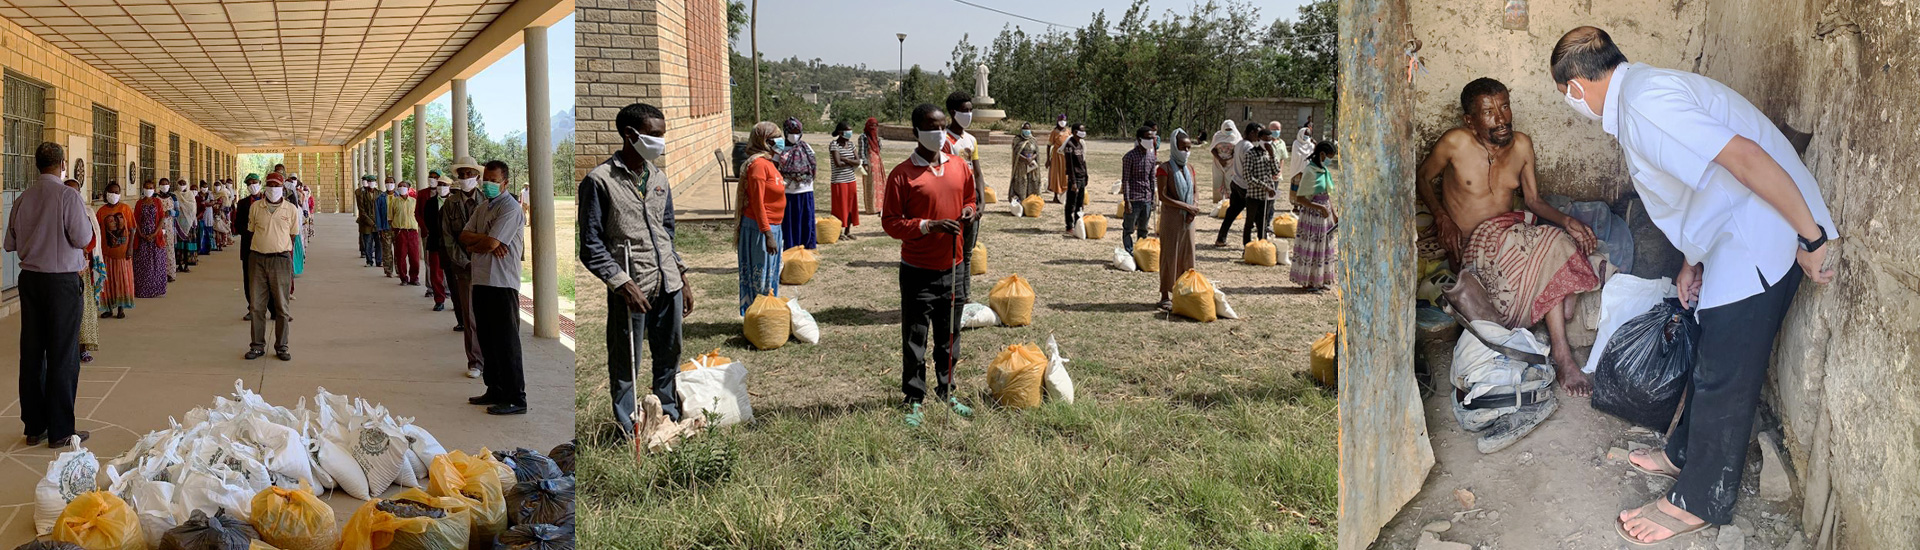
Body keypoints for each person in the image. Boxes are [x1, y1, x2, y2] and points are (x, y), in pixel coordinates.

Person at [1541, 27, 1837, 544]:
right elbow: (1696, 194)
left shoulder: (1647, 106)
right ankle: (1682, 455)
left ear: (1575, 88)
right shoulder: (1642, 97)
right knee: (1707, 350)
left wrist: (1810, 238)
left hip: (1761, 238)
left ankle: (1698, 500)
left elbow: (1745, 158)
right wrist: (1690, 263)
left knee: (1726, 374)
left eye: (1566, 96)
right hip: (1732, 236)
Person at [1416, 77, 1606, 395]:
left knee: (1556, 241)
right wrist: (1441, 216)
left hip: (1510, 232)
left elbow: (1534, 202)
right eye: (1489, 111)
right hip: (1473, 247)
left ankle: (1562, 355)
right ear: (1470, 120)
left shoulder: (1521, 145)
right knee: (1534, 258)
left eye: (1505, 106)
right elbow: (1423, 177)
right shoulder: (1455, 142)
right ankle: (1548, 317)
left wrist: (1567, 221)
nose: (1502, 118)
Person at [579, 102, 694, 433]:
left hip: (667, 282)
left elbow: (666, 232)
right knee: (626, 364)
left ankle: (667, 418)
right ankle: (630, 429)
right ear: (630, 135)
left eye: (662, 135)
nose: (661, 141)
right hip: (632, 285)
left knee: (669, 356)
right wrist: (621, 283)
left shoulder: (658, 177)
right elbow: (591, 245)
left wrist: (682, 277)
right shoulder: (599, 181)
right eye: (654, 135)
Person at [882, 103, 979, 427]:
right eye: (931, 127)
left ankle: (947, 390)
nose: (939, 133)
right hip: (917, 270)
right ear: (916, 132)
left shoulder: (959, 166)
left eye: (942, 126)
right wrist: (928, 225)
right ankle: (914, 399)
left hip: (954, 266)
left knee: (949, 336)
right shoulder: (902, 175)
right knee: (915, 339)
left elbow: (970, 198)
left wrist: (969, 211)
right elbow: (891, 223)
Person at [5, 143, 93, 448]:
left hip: (30, 280)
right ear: (62, 165)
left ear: (37, 164)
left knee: (32, 353)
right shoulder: (68, 196)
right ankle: (60, 430)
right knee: (63, 355)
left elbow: (10, 242)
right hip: (61, 283)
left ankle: (34, 426)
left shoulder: (24, 198)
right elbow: (82, 237)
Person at [459, 160, 529, 415]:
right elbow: (465, 236)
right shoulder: (483, 208)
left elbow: (488, 244)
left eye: (493, 180)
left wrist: (484, 242)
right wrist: (484, 241)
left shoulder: (511, 209)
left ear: (505, 183)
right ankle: (495, 388)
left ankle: (515, 397)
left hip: (502, 282)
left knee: (506, 341)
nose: (487, 184)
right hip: (481, 280)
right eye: (485, 179)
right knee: (487, 338)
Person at [245, 173, 302, 361]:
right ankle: (257, 346)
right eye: (269, 185)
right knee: (256, 306)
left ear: (282, 188)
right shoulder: (255, 207)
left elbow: (293, 235)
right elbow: (251, 230)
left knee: (282, 306)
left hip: (280, 260)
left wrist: (279, 247)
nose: (272, 188)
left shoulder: (291, 209)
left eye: (276, 185)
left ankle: (282, 346)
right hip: (257, 259)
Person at [734, 122, 786, 315]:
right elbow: (757, 204)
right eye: (775, 139)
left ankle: (767, 314)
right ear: (764, 141)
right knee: (761, 276)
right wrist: (767, 234)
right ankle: (758, 315)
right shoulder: (757, 166)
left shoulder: (769, 163)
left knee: (771, 275)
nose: (780, 142)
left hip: (773, 226)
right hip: (760, 229)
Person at [444, 158, 487, 378]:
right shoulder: (450, 203)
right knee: (470, 316)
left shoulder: (488, 200)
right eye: (461, 175)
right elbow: (448, 238)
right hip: (464, 267)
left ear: (477, 177)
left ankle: (491, 357)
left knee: (489, 314)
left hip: (488, 266)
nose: (465, 179)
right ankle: (475, 361)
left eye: (469, 174)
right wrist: (464, 261)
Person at [1155, 130, 1203, 311]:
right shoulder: (1165, 169)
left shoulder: (1190, 168)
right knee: (1170, 255)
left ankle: (1184, 291)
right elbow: (1163, 196)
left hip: (1189, 219)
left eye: (1189, 148)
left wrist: (1194, 206)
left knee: (1187, 255)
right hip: (1172, 218)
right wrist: (1185, 207)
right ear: (1175, 147)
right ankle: (1165, 294)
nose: (1186, 151)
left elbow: (1196, 191)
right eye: (1183, 147)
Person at [1290, 142, 1339, 291]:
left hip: (1324, 215)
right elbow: (1300, 198)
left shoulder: (1324, 170)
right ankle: (1309, 281)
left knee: (1324, 247)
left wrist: (1333, 213)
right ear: (1322, 155)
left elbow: (1326, 194)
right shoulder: (1310, 171)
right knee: (1311, 248)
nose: (1330, 160)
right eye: (1329, 157)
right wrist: (1319, 207)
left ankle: (1321, 279)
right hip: (1312, 216)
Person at [68, 178, 104, 363]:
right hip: (63, 271)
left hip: (82, 270)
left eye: (75, 191)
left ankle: (83, 349)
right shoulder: (57, 212)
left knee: (84, 312)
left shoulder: (87, 212)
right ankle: (68, 350)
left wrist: (84, 249)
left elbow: (92, 239)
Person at [1215, 124, 1266, 247]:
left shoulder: (1239, 143)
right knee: (1256, 217)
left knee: (1231, 213)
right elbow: (1252, 168)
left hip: (1236, 182)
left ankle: (1221, 238)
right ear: (1251, 132)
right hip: (1246, 186)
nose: (1259, 137)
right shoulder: (1249, 147)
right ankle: (1254, 245)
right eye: (1258, 133)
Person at [774, 117, 818, 250]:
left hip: (805, 191)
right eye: (792, 131)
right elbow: (774, 169)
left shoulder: (806, 147)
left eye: (797, 131)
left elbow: (813, 167)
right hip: (788, 193)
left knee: (806, 223)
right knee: (790, 224)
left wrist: (803, 177)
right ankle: (791, 251)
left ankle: (806, 252)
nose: (795, 135)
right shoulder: (779, 149)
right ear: (785, 131)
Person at [96, 182, 135, 319]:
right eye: (111, 192)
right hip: (106, 253)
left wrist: (130, 247)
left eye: (117, 192)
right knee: (107, 281)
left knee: (121, 280)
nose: (114, 195)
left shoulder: (125, 208)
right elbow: (97, 231)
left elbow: (132, 229)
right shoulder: (101, 211)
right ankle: (108, 308)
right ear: (106, 193)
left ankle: (121, 308)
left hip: (122, 253)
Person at [1119, 125, 1159, 252]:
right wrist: (1127, 201)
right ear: (1139, 139)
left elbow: (1152, 179)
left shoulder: (1151, 156)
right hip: (1134, 198)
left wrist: (1153, 198)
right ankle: (1129, 252)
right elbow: (1125, 180)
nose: (1150, 141)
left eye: (1152, 138)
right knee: (1128, 229)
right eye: (1147, 138)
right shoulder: (1129, 157)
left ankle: (1141, 251)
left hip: (1146, 198)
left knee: (1143, 229)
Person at [132, 180, 170, 298]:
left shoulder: (157, 202)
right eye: (146, 187)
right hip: (142, 237)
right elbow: (135, 220)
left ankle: (155, 289)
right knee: (143, 264)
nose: (148, 189)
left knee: (156, 263)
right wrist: (141, 234)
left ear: (154, 189)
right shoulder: (139, 203)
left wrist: (154, 233)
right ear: (143, 189)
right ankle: (142, 290)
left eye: (151, 187)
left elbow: (161, 218)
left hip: (155, 236)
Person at [826, 121, 862, 240]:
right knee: (840, 207)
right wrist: (850, 161)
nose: (850, 133)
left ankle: (848, 231)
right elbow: (837, 163)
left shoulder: (851, 145)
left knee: (851, 206)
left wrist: (845, 159)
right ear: (840, 132)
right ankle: (839, 232)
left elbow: (858, 162)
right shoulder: (834, 145)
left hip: (850, 179)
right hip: (839, 180)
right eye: (847, 130)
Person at [421, 172, 450, 310]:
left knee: (454, 274)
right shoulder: (430, 203)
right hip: (435, 242)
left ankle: (456, 299)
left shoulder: (454, 202)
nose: (441, 187)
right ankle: (439, 299)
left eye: (445, 185)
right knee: (436, 272)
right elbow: (427, 220)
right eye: (440, 185)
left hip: (452, 244)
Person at [234, 175, 262, 319]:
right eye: (249, 184)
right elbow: (238, 224)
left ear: (260, 183)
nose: (252, 185)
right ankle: (252, 308)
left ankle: (275, 309)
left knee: (269, 279)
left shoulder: (267, 201)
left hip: (266, 246)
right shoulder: (243, 203)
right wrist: (249, 233)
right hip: (248, 246)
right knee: (249, 278)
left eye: (255, 183)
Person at [390, 180, 421, 286]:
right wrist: (394, 230)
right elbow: (390, 216)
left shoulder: (414, 201)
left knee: (415, 257)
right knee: (401, 256)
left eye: (404, 186)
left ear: (408, 188)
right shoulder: (394, 201)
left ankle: (414, 278)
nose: (401, 188)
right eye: (399, 186)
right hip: (400, 231)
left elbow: (418, 215)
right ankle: (403, 278)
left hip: (412, 232)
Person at [1060, 122, 1089, 231]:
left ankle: (1078, 223)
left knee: (1080, 203)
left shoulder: (1080, 144)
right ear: (1075, 132)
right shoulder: (1070, 145)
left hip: (1082, 177)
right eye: (1082, 130)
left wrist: (1086, 175)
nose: (1084, 132)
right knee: (1071, 203)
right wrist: (1073, 182)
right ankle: (1069, 225)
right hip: (1075, 178)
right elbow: (1070, 165)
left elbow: (1083, 161)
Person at [1209, 120, 1242, 204]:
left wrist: (1229, 158)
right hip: (1218, 161)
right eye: (1226, 130)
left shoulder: (1236, 136)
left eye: (1230, 130)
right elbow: (1212, 148)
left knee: (1230, 182)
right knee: (1218, 181)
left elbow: (1238, 149)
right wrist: (1220, 159)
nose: (1228, 132)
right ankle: (1219, 203)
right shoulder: (1217, 136)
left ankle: (1230, 203)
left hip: (1231, 162)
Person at [1009, 122, 1041, 201]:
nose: (1027, 130)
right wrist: (1024, 159)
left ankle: (1031, 202)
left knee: (1032, 182)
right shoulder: (1017, 140)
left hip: (1031, 166)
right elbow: (1016, 152)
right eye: (1025, 129)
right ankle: (1021, 202)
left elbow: (1036, 152)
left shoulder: (1033, 140)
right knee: (1021, 182)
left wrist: (1031, 158)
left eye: (1028, 129)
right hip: (1021, 166)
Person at [860, 117, 883, 215]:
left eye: (875, 125)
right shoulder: (863, 137)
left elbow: (879, 149)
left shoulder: (877, 138)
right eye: (871, 126)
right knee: (870, 185)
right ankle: (871, 208)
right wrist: (864, 162)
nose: (874, 128)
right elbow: (861, 151)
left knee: (879, 184)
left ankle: (879, 206)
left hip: (877, 162)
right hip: (869, 163)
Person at [356, 175, 379, 265]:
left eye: (371, 181)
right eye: (367, 181)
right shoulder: (360, 192)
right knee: (366, 240)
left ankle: (378, 260)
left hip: (377, 221)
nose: (369, 183)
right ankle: (367, 257)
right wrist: (369, 221)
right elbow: (361, 208)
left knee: (378, 242)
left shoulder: (379, 193)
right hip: (365, 220)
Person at [1047, 114, 1071, 202]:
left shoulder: (1068, 131)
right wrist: (1048, 159)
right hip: (1057, 156)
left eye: (1064, 120)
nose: (1063, 122)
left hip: (1066, 156)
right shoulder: (1054, 132)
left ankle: (1065, 195)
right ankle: (1055, 195)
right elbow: (1049, 145)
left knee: (1066, 175)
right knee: (1056, 175)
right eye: (1061, 120)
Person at [377, 177, 396, 278]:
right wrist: (380, 228)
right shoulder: (380, 197)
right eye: (387, 183)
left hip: (397, 226)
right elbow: (378, 214)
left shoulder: (399, 196)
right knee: (387, 249)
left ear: (395, 183)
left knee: (398, 249)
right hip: (386, 225)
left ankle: (399, 270)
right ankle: (388, 270)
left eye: (391, 182)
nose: (390, 184)